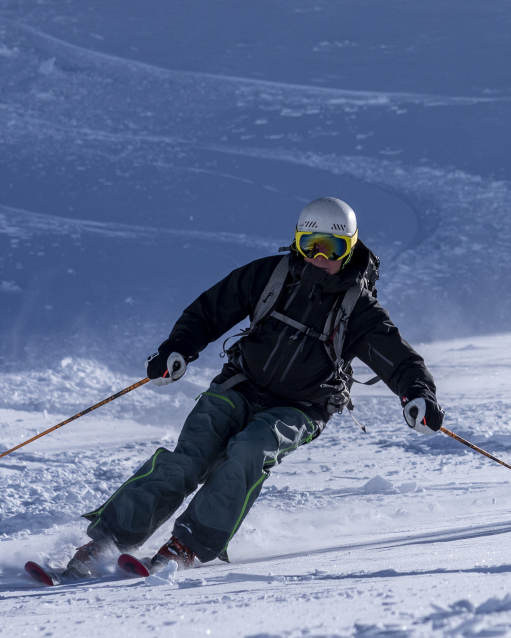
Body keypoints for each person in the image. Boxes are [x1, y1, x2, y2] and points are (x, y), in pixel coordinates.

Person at [53, 197, 442, 579]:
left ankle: (188, 544)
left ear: (350, 248)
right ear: (298, 242)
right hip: (239, 385)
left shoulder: (360, 310)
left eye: (333, 247)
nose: (320, 257)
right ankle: (107, 542)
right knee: (189, 458)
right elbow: (210, 310)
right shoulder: (270, 276)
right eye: (311, 245)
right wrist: (178, 348)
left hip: (300, 406)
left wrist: (418, 395)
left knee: (250, 449)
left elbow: (400, 361)